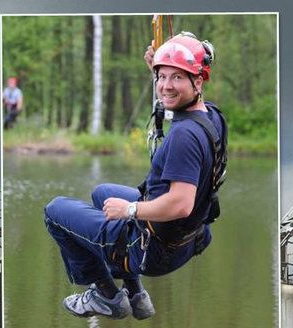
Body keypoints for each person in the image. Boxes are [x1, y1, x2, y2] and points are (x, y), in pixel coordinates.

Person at [44, 31, 227, 320]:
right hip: (189, 236)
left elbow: (181, 203)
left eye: (176, 78)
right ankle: (135, 294)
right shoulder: (211, 116)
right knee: (102, 193)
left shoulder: (184, 137)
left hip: (153, 249)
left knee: (55, 212)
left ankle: (106, 296)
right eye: (161, 77)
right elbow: (177, 98)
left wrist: (130, 209)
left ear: (198, 82)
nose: (165, 86)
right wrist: (164, 65)